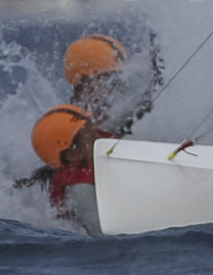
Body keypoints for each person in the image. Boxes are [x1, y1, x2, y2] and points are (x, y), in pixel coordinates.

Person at [17, 33, 164, 227]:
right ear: (71, 154)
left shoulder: (82, 130)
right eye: (110, 78)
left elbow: (135, 113)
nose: (120, 85)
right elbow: (101, 232)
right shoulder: (79, 187)